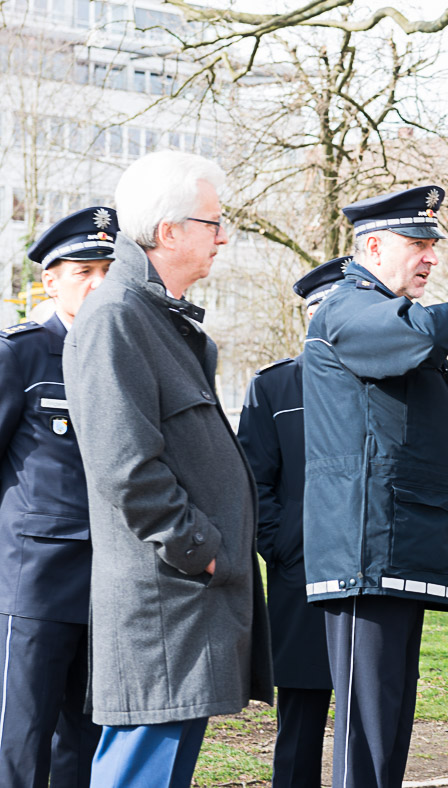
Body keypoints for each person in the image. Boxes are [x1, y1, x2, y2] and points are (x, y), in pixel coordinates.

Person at [62, 151, 273, 786]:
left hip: (184, 597)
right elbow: (125, 465)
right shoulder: (117, 316)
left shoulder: (157, 317)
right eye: (213, 222)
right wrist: (198, 548)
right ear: (169, 230)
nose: (224, 236)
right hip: (165, 594)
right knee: (139, 770)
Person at [302, 185, 448, 788]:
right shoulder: (348, 305)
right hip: (364, 552)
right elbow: (418, 333)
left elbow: (399, 424)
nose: (430, 257)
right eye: (417, 244)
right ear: (372, 245)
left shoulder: (383, 314)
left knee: (390, 720)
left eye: (433, 246)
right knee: (367, 729)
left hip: (395, 546)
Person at [0, 207, 116, 787]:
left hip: (109, 583)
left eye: (108, 270)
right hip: (35, 582)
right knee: (18, 742)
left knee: (85, 742)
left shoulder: (119, 360)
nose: (98, 283)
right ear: (50, 280)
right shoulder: (20, 353)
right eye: (83, 270)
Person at [237, 258, 347, 788]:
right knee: (300, 716)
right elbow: (251, 480)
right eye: (322, 309)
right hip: (300, 576)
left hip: (374, 575)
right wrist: (282, 544)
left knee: (369, 713)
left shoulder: (396, 381)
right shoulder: (275, 388)